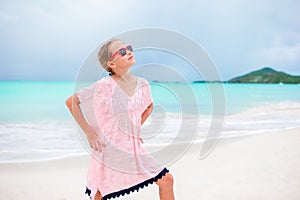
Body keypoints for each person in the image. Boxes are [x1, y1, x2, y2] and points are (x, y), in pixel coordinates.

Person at [65, 39, 175, 200]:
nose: (129, 52)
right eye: (122, 52)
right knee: (101, 192)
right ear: (112, 64)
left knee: (166, 180)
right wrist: (89, 133)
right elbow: (71, 102)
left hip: (133, 147)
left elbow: (149, 107)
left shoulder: (143, 85)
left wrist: (134, 130)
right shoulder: (104, 85)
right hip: (108, 147)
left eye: (129, 48)